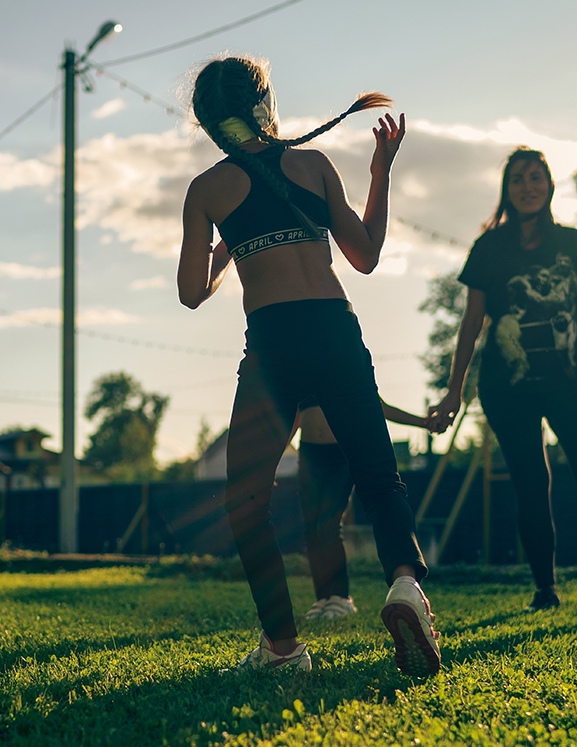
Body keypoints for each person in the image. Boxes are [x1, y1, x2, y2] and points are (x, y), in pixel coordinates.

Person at [177, 55, 440, 676]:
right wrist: (381, 172)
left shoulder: (208, 189)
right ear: (264, 102)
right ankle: (405, 586)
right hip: (334, 328)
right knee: (379, 476)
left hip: (273, 343)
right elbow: (366, 256)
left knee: (246, 500)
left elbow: (192, 292)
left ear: (208, 121)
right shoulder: (313, 164)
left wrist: (223, 252)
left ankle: (284, 649)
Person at [429, 147, 577, 616]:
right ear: (506, 190)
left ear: (549, 186)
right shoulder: (488, 248)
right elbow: (471, 325)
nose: (527, 187)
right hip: (506, 388)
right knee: (531, 485)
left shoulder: (575, 243)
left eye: (536, 178)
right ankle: (545, 591)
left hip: (572, 382)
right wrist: (454, 390)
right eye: (517, 180)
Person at [296, 400, 441, 622]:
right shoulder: (299, 370)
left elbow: (378, 405)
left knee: (329, 523)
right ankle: (323, 598)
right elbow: (292, 415)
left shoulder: (344, 367)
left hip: (342, 448)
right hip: (309, 452)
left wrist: (423, 422)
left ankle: (340, 597)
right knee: (312, 527)